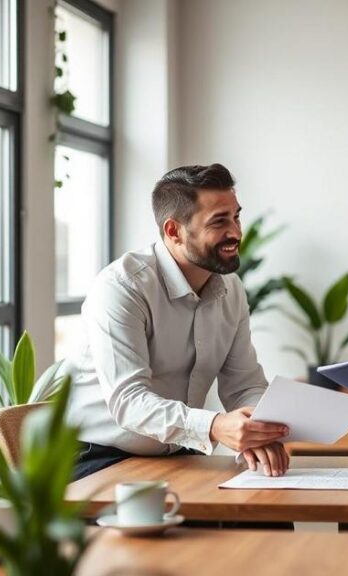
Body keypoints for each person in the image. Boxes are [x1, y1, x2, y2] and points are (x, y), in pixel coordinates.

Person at [66, 163, 289, 481]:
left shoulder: (231, 289)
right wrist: (214, 426)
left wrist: (258, 433)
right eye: (219, 221)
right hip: (97, 458)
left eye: (236, 216)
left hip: (179, 455)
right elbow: (129, 402)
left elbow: (245, 385)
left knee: (266, 512)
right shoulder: (122, 287)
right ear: (174, 231)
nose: (236, 233)